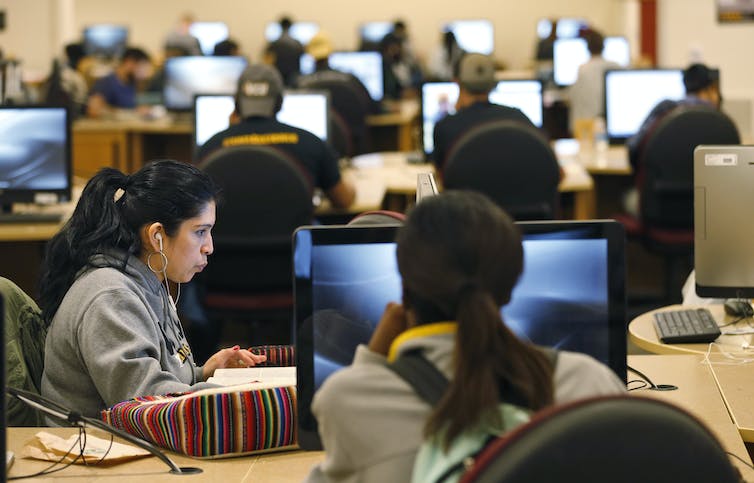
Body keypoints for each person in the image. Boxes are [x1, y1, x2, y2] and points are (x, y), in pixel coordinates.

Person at [306, 190, 626, 482]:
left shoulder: (349, 400)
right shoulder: (589, 382)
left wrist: (371, 364)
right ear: (510, 287)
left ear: (404, 289)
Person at [39, 160, 266, 420]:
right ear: (156, 236)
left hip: (123, 444)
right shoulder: (111, 298)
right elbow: (146, 404)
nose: (209, 247)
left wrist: (203, 373)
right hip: (91, 451)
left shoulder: (147, 279)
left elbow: (157, 380)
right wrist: (238, 395)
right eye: (200, 232)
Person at [197, 63, 356, 209]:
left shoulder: (210, 148)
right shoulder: (311, 143)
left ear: (237, 103)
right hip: (292, 240)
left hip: (225, 240)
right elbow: (344, 201)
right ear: (279, 102)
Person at [623, 63, 722, 214]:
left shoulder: (665, 109)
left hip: (659, 208)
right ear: (711, 90)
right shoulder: (721, 121)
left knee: (626, 197)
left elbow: (633, 150)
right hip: (707, 213)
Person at [431, 53, 535, 174]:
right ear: (493, 84)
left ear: (457, 82)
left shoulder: (444, 127)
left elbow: (440, 177)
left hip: (465, 193)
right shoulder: (519, 119)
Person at [297, 31, 380, 155]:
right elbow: (374, 108)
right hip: (356, 153)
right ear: (330, 52)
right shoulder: (350, 79)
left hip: (318, 153)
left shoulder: (298, 84)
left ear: (309, 54)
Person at [568, 29, 621, 130]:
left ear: (587, 48)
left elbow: (572, 97)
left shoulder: (583, 70)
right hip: (612, 125)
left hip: (587, 128)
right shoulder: (616, 67)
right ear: (604, 46)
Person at [86, 47, 152, 118]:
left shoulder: (131, 84)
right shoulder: (106, 83)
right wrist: (126, 113)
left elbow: (134, 108)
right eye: (142, 67)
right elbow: (93, 111)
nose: (144, 73)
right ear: (129, 63)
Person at [380, 32, 423, 100]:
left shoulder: (406, 62)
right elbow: (389, 89)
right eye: (392, 48)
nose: (395, 50)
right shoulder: (383, 68)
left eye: (397, 47)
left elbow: (419, 78)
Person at [265, 15, 304, 86]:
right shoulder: (298, 44)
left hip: (278, 79)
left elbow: (267, 63)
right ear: (291, 26)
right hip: (294, 80)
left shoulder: (273, 45)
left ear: (280, 26)